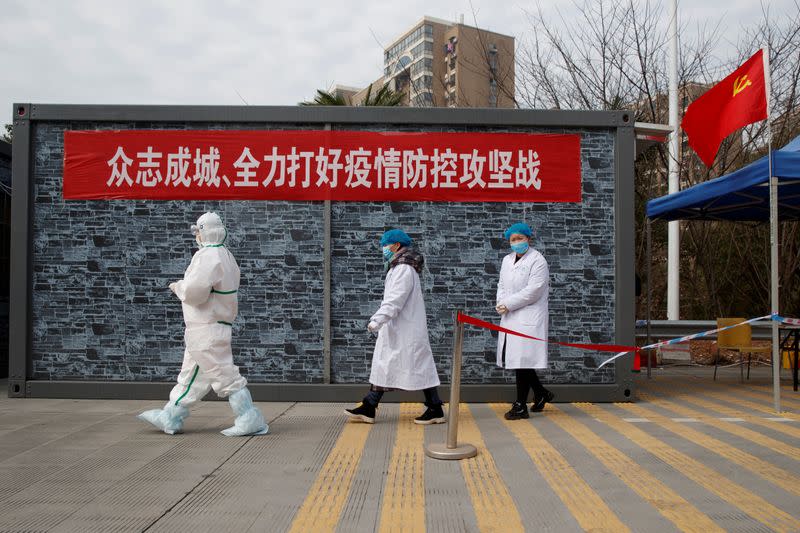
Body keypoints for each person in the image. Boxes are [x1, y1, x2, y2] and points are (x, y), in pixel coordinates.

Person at [138, 212, 268, 436]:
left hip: (206, 327)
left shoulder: (207, 256)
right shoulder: (226, 255)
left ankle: (249, 417)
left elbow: (194, 292)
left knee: (225, 375)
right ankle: (171, 415)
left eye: (197, 231)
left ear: (204, 231)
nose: (196, 235)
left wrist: (178, 287)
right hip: (211, 326)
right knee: (190, 376)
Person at [345, 229, 445, 425]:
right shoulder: (397, 266)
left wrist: (377, 320)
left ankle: (435, 409)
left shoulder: (403, 269)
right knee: (386, 365)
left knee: (418, 367)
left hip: (405, 329)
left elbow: (395, 300)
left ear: (396, 246)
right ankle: (370, 406)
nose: (383, 248)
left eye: (385, 244)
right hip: (398, 327)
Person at [495, 222, 554, 420]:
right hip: (510, 315)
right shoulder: (506, 260)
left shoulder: (538, 261)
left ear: (528, 238)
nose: (516, 242)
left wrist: (509, 303)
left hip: (528, 315)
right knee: (521, 361)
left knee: (521, 361)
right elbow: (501, 284)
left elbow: (534, 290)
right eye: (513, 239)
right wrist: (501, 302)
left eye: (520, 238)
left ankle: (520, 405)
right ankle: (541, 393)